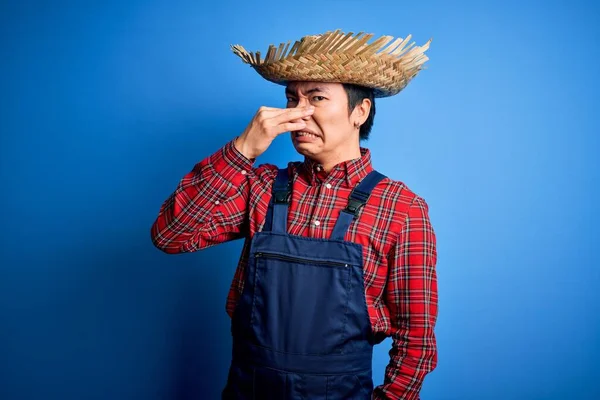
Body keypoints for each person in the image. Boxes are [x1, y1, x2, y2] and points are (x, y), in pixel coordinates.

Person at [150, 29, 438, 400]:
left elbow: (416, 342)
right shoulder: (263, 187)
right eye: (292, 99)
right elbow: (171, 236)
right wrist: (241, 151)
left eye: (316, 97)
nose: (299, 114)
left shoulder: (401, 208)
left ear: (360, 111)